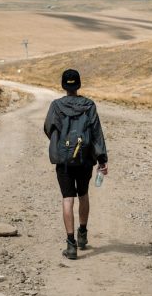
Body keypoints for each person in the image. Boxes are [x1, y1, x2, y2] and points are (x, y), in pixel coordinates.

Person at [44, 69, 108, 260]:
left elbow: (48, 128)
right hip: (85, 158)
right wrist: (102, 159)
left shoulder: (56, 106)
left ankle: (71, 245)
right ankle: (83, 234)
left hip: (64, 160)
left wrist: (60, 143)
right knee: (83, 194)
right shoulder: (89, 105)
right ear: (78, 85)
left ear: (64, 86)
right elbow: (96, 133)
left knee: (67, 198)